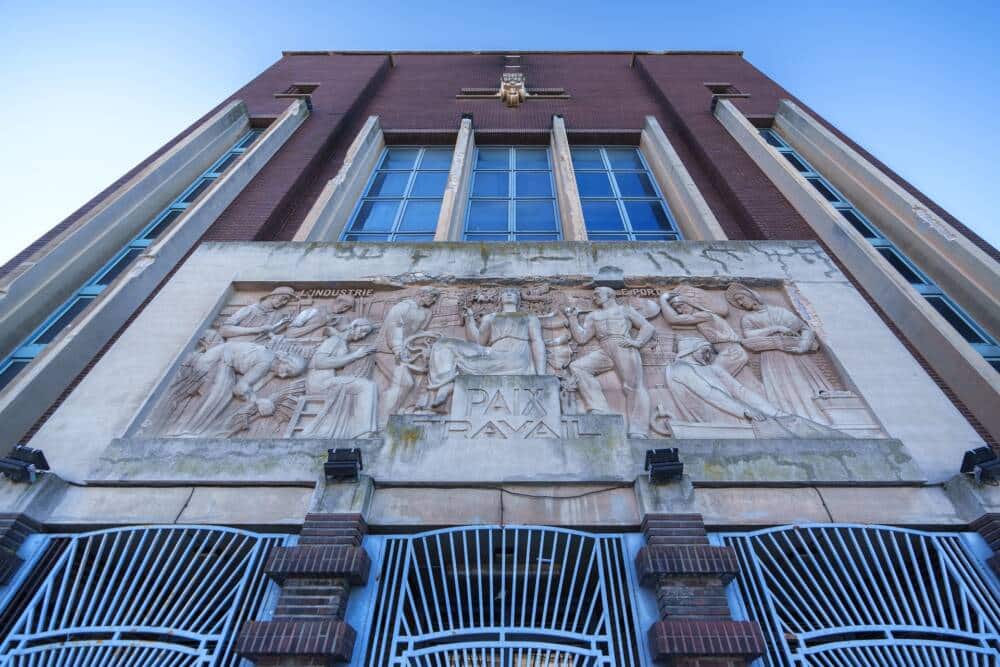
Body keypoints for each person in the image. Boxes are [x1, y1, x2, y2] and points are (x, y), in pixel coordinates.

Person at [665, 338, 846, 438]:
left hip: (740, 412)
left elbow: (740, 391)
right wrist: (744, 411)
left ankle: (838, 440)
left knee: (791, 421)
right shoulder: (680, 368)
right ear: (689, 350)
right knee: (784, 430)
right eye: (704, 350)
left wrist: (775, 412)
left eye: (709, 350)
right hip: (720, 416)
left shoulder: (713, 369)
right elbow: (709, 394)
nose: (709, 354)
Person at [163, 329, 307, 437]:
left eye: (287, 375)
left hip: (218, 360)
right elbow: (239, 388)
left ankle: (191, 430)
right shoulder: (265, 363)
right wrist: (258, 401)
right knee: (221, 394)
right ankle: (191, 430)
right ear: (284, 360)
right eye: (286, 371)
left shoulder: (268, 357)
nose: (282, 376)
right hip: (214, 363)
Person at [725, 283, 833, 423]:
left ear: (752, 295)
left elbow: (805, 328)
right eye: (738, 301)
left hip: (795, 355)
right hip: (772, 358)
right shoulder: (748, 318)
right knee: (781, 389)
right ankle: (790, 419)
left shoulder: (780, 311)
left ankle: (819, 419)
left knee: (804, 384)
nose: (740, 302)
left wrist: (803, 346)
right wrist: (776, 328)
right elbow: (749, 335)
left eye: (741, 298)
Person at [425, 288, 545, 409]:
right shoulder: (490, 317)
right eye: (505, 292)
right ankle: (443, 388)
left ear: (518, 299)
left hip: (515, 358)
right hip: (491, 355)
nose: (509, 294)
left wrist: (541, 375)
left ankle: (447, 388)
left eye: (513, 293)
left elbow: (537, 342)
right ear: (500, 299)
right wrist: (469, 319)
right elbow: (479, 342)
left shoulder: (529, 317)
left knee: (463, 360)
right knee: (445, 344)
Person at [565, 286, 654, 438]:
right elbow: (582, 338)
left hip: (623, 345)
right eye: (593, 295)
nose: (594, 297)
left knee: (633, 386)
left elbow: (647, 326)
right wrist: (572, 318)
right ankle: (599, 409)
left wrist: (638, 342)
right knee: (578, 366)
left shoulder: (625, 310)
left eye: (597, 294)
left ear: (610, 294)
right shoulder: (593, 316)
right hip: (604, 348)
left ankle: (638, 430)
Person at [296, 319, 379, 439]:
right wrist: (355, 356)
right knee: (366, 386)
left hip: (330, 380)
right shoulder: (334, 340)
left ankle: (362, 429)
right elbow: (320, 362)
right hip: (320, 383)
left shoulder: (342, 342)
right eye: (362, 331)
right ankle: (362, 431)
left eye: (365, 334)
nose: (363, 335)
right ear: (354, 326)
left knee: (365, 384)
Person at [374, 287, 439, 420]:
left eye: (435, 299)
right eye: (432, 298)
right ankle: (384, 419)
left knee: (422, 377)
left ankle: (404, 409)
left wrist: (430, 335)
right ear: (422, 294)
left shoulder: (426, 313)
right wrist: (397, 349)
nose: (433, 301)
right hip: (388, 352)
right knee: (405, 382)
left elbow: (417, 332)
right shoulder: (402, 307)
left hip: (407, 351)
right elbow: (393, 327)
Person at [659, 285, 750, 379]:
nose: (679, 311)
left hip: (732, 353)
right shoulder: (702, 317)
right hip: (727, 352)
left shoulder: (705, 315)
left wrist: (663, 300)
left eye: (680, 306)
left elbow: (674, 319)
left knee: (711, 379)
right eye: (676, 309)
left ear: (691, 303)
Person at [218, 286, 298, 342]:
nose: (284, 303)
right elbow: (224, 330)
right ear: (273, 296)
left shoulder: (275, 314)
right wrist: (257, 329)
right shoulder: (250, 309)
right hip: (237, 346)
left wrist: (283, 325)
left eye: (287, 301)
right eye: (284, 298)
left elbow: (267, 333)